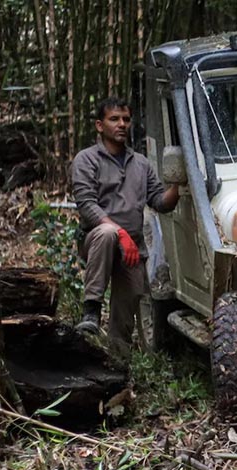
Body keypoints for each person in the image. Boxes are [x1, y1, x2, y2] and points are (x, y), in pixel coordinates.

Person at [72, 97, 180, 349]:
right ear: (100, 125)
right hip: (97, 240)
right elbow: (87, 205)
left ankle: (116, 367)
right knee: (108, 232)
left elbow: (160, 201)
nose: (121, 124)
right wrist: (121, 234)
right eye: (114, 119)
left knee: (125, 317)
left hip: (133, 247)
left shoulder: (140, 163)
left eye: (126, 119)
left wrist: (179, 184)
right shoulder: (86, 160)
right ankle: (91, 311)